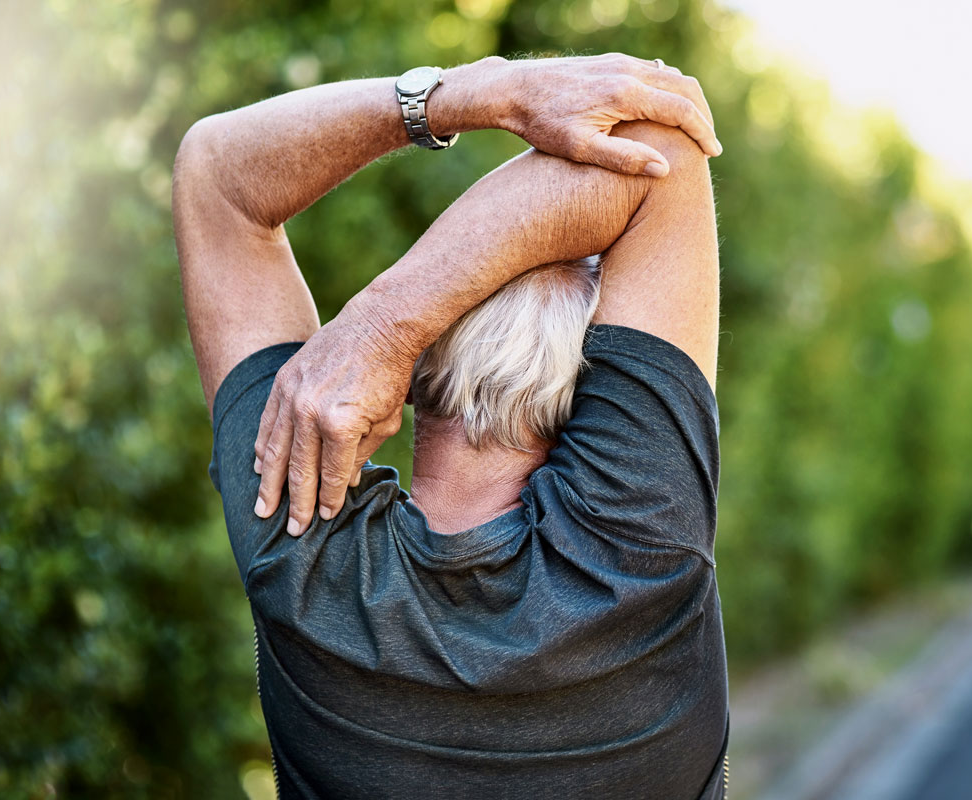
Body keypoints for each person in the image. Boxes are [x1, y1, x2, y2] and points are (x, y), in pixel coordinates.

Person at [174, 54, 727, 799]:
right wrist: (388, 323)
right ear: (601, 397)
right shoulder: (642, 541)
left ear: (413, 374)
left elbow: (216, 173)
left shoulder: (296, 537)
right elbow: (656, 148)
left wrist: (476, 93)